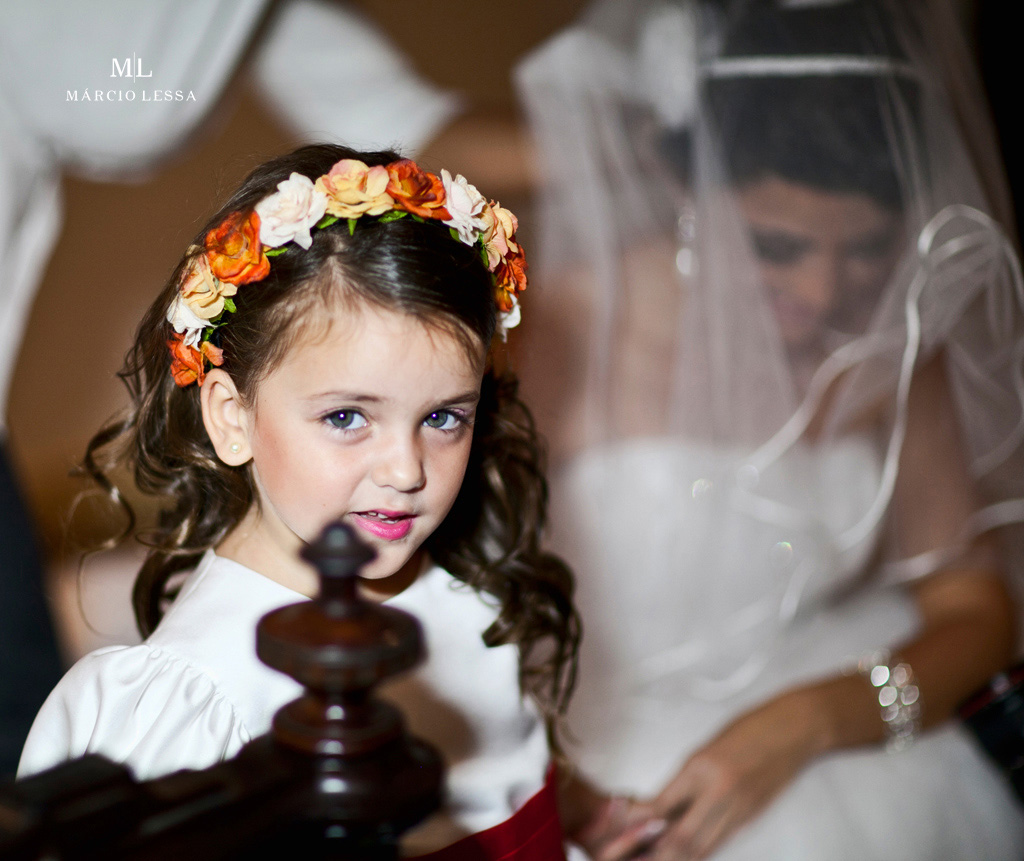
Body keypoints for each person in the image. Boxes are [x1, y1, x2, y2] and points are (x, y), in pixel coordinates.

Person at [516, 0, 1024, 858]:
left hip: (842, 731)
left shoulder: (893, 336)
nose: (825, 293)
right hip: (596, 757)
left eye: (867, 247)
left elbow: (972, 608)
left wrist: (804, 723)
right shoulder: (561, 330)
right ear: (680, 182)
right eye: (776, 245)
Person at [16, 143, 622, 859]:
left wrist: (579, 813)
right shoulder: (195, 704)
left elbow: (507, 785)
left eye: (442, 417)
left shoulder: (461, 581)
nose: (405, 470)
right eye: (346, 417)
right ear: (232, 417)